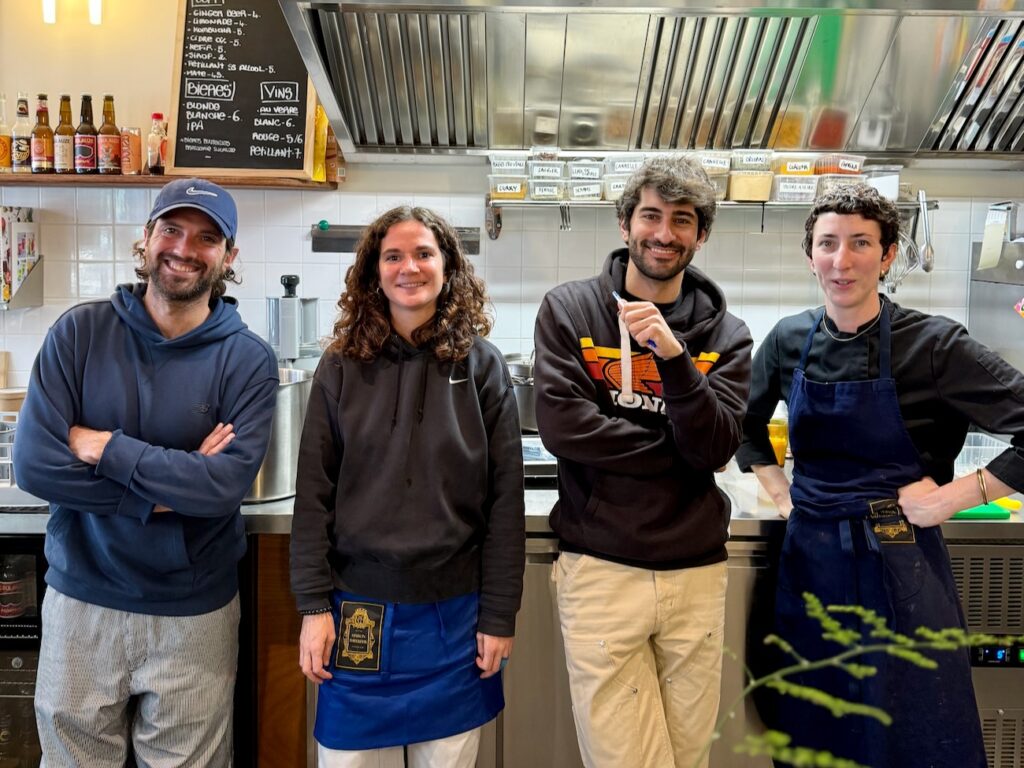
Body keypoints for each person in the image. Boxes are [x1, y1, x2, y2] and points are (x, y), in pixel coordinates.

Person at [735, 183, 1024, 767]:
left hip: (901, 567)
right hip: (810, 565)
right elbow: (743, 425)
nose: (841, 261)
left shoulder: (934, 344)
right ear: (810, 255)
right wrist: (783, 494)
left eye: (860, 243)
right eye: (828, 244)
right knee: (814, 734)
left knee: (912, 738)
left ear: (888, 255)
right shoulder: (790, 339)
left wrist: (952, 499)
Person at [12, 178, 279, 766]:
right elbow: (34, 464)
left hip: (194, 610)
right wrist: (158, 494)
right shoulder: (79, 334)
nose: (184, 248)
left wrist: (104, 447)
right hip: (82, 600)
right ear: (147, 237)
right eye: (172, 229)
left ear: (229, 256)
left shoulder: (248, 359)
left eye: (207, 238)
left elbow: (221, 487)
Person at [533, 155, 753, 768]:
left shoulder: (728, 336)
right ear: (625, 223)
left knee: (689, 759)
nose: (664, 233)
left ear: (701, 235)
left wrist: (675, 358)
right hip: (602, 570)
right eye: (651, 215)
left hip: (697, 575)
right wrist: (682, 451)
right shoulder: (571, 310)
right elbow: (564, 430)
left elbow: (717, 448)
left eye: (682, 220)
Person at [290, 205, 525, 768]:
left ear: (448, 267)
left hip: (455, 622)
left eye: (424, 253)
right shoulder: (340, 366)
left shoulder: (483, 367)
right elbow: (313, 495)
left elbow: (505, 504)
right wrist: (313, 607)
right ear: (375, 271)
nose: (409, 267)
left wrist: (499, 616)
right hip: (357, 615)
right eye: (393, 255)